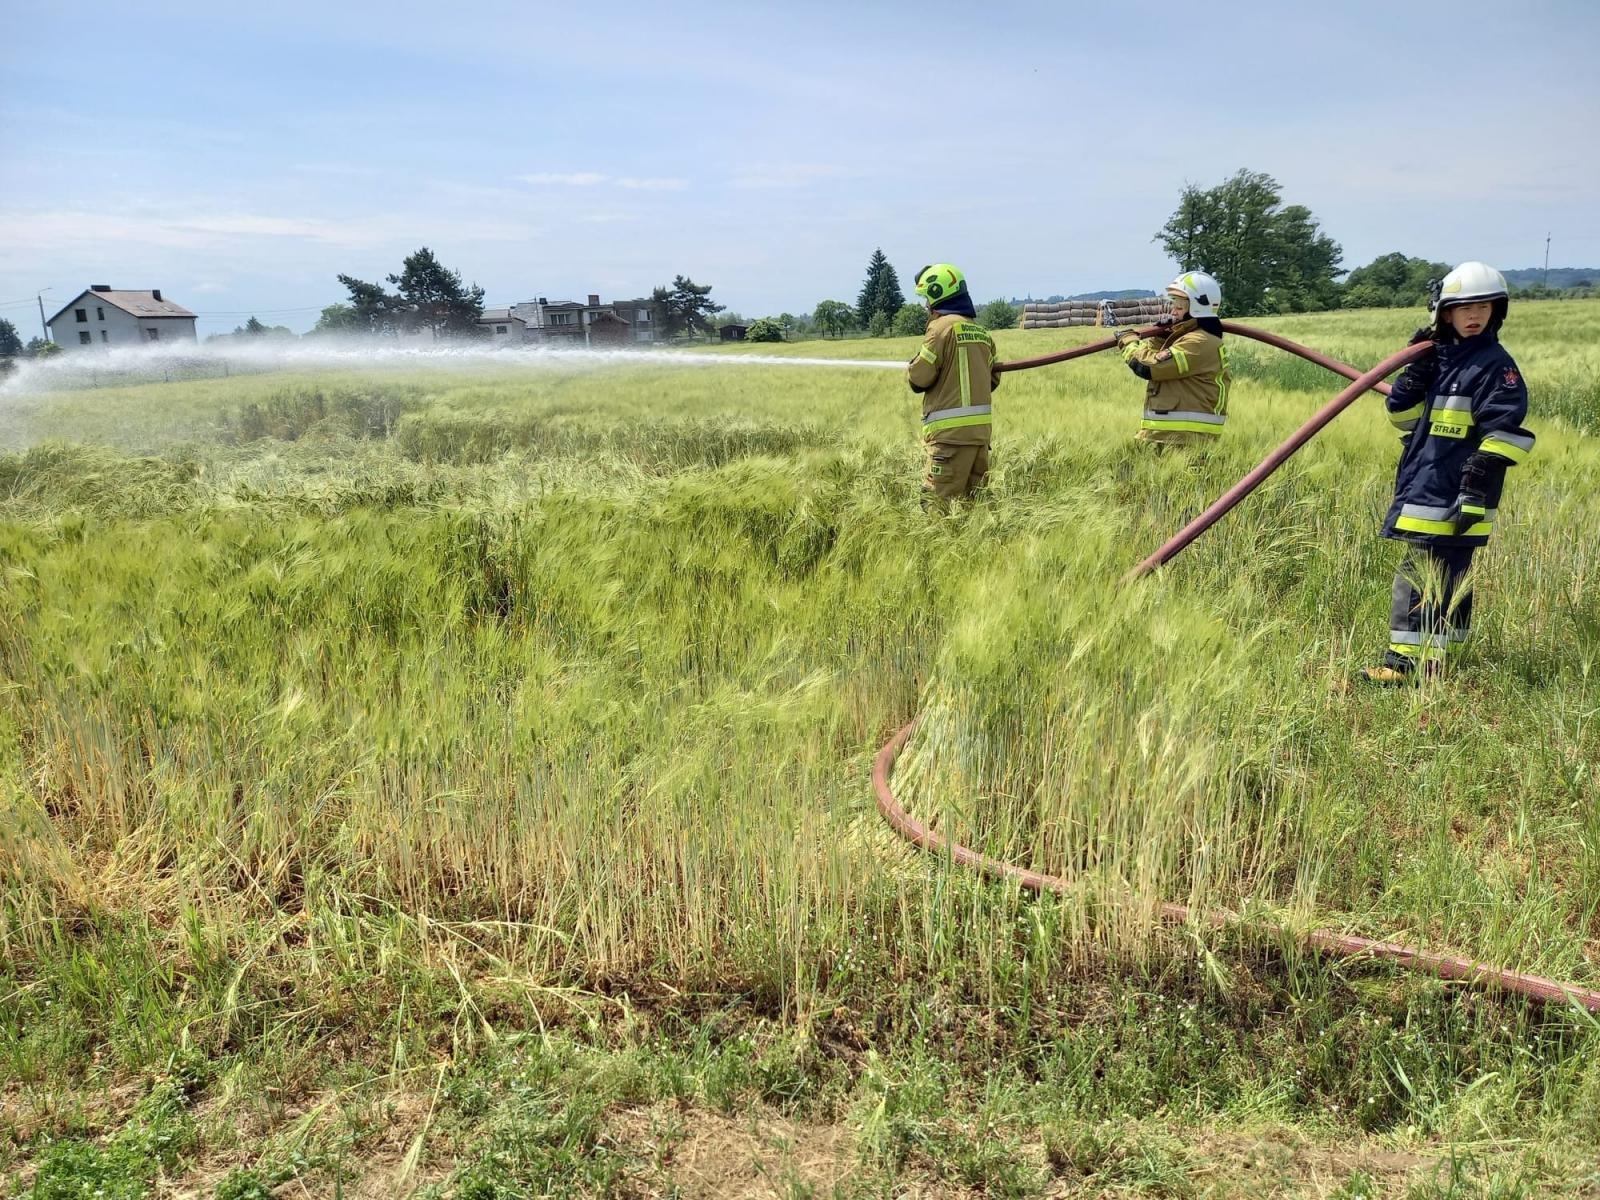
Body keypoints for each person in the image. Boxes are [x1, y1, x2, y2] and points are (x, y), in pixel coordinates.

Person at [1363, 261, 1535, 685]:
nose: (1474, 316)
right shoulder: (1440, 362)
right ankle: (1439, 660)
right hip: (1428, 484)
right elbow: (1405, 421)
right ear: (1444, 314)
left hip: (1460, 493)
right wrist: (1414, 376)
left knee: (1422, 573)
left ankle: (1402, 665)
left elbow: (1508, 432)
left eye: (1484, 307)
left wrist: (1476, 478)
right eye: (1464, 308)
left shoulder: (1497, 367)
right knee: (1448, 574)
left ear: (1498, 311)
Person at [906, 263, 1001, 506]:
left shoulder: (940, 329)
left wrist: (913, 365)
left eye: (927, 298)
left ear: (938, 295)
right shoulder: (982, 333)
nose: (927, 306)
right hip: (979, 440)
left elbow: (919, 378)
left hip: (949, 442)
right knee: (973, 509)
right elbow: (993, 379)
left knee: (937, 509)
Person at [1113, 271, 1231, 446]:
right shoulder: (1193, 338)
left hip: (1185, 440)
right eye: (1173, 304)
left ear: (1197, 308)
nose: (1173, 311)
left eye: (1180, 306)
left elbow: (1148, 367)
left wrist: (1128, 342)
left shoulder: (1199, 342)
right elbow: (1156, 358)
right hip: (1168, 436)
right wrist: (1160, 338)